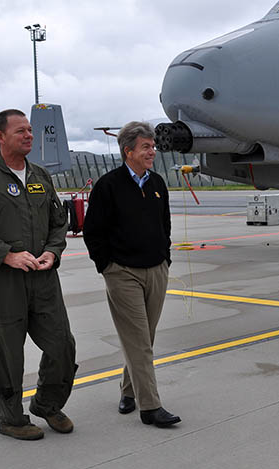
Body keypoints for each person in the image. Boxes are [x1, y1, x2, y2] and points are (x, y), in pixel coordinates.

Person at [0, 109, 77, 440]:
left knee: (62, 345)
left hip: (43, 278)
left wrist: (53, 251)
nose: (29, 135)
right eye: (21, 131)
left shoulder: (40, 176)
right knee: (7, 352)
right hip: (2, 281)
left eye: (30, 131)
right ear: (1, 137)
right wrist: (6, 255)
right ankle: (11, 418)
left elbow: (58, 222)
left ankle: (47, 403)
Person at [83, 121, 180, 428]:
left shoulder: (158, 184)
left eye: (153, 146)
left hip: (156, 269)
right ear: (128, 151)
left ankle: (128, 390)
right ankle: (150, 406)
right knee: (139, 341)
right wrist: (107, 266)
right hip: (122, 272)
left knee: (143, 337)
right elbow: (92, 231)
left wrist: (165, 258)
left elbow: (164, 225)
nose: (152, 151)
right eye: (146, 147)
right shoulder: (108, 186)